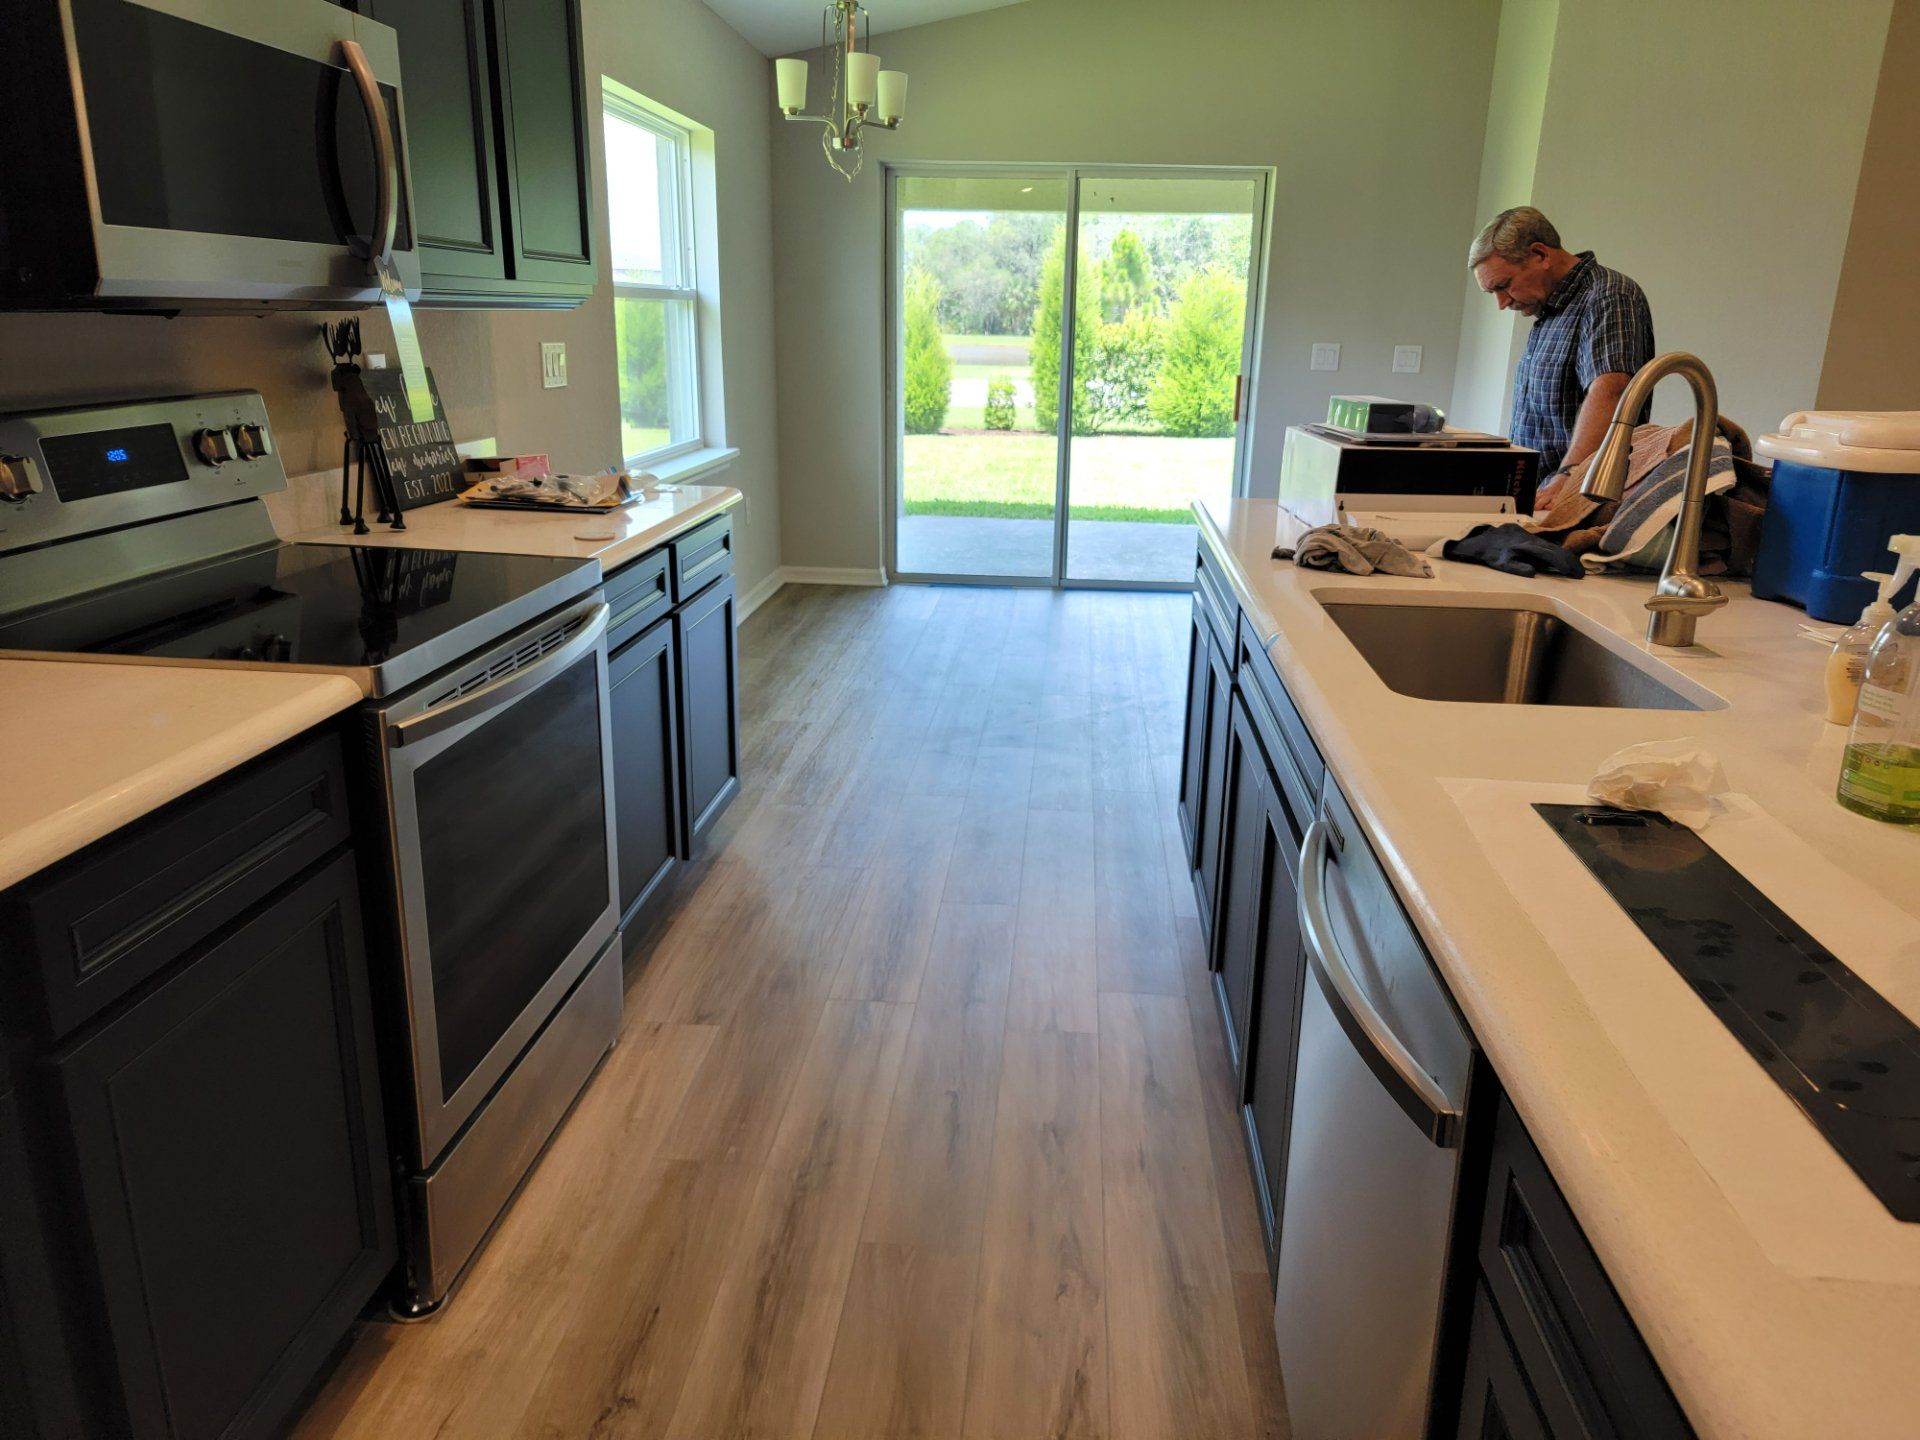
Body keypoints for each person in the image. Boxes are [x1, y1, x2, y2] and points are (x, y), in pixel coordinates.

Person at [1468, 206, 1655, 480]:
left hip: (1575, 492)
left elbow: (1610, 393)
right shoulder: (1549, 309)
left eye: (1503, 285)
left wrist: (1568, 476)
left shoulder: (1608, 296)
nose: (1502, 302)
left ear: (1540, 255)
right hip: (1537, 489)